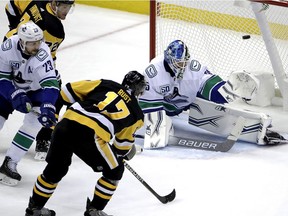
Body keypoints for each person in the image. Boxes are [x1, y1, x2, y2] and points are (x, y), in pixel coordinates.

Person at [24, 71, 146, 216]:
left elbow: (65, 92)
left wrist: (54, 114)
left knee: (56, 169)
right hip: (90, 135)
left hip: (64, 125)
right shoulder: (137, 114)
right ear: (139, 90)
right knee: (115, 171)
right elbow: (121, 147)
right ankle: (94, 210)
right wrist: (120, 156)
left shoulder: (106, 84)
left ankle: (34, 209)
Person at [138, 39, 285, 149]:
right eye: (178, 63)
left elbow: (207, 82)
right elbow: (148, 102)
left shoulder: (193, 68)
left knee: (220, 96)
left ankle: (252, 126)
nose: (182, 67)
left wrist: (227, 89)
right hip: (166, 106)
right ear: (169, 59)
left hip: (189, 100)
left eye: (184, 62)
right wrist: (157, 124)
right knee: (155, 130)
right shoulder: (153, 72)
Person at [4, 0, 75, 160]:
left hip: (10, 49)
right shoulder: (55, 29)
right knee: (54, 92)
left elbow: (10, 6)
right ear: (55, 4)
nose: (66, 11)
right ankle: (43, 139)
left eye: (69, 7)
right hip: (25, 59)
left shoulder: (34, 1)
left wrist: (15, 30)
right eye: (64, 7)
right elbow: (43, 56)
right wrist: (51, 73)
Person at [0, 21, 59, 186]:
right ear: (22, 42)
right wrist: (14, 94)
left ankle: (10, 163)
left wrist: (48, 106)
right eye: (32, 43)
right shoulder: (7, 48)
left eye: (39, 41)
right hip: (11, 87)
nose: (37, 46)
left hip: (36, 90)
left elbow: (51, 85)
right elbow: (2, 78)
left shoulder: (43, 53)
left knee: (33, 124)